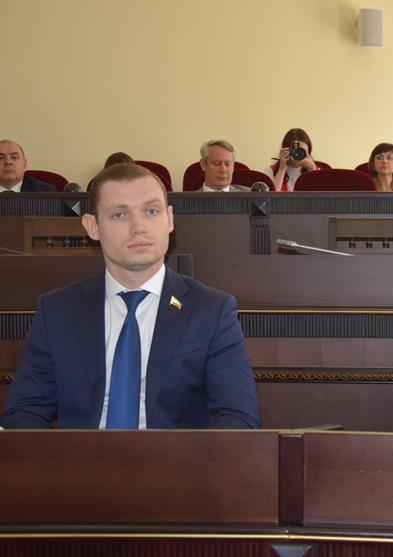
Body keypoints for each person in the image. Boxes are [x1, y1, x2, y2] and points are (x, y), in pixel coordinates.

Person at [0, 163, 261, 429]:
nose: (138, 227)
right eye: (119, 215)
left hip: (175, 456)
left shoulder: (211, 310)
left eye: (151, 211)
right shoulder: (57, 310)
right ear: (92, 226)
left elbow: (239, 417)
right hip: (80, 454)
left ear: (169, 219)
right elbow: (24, 412)